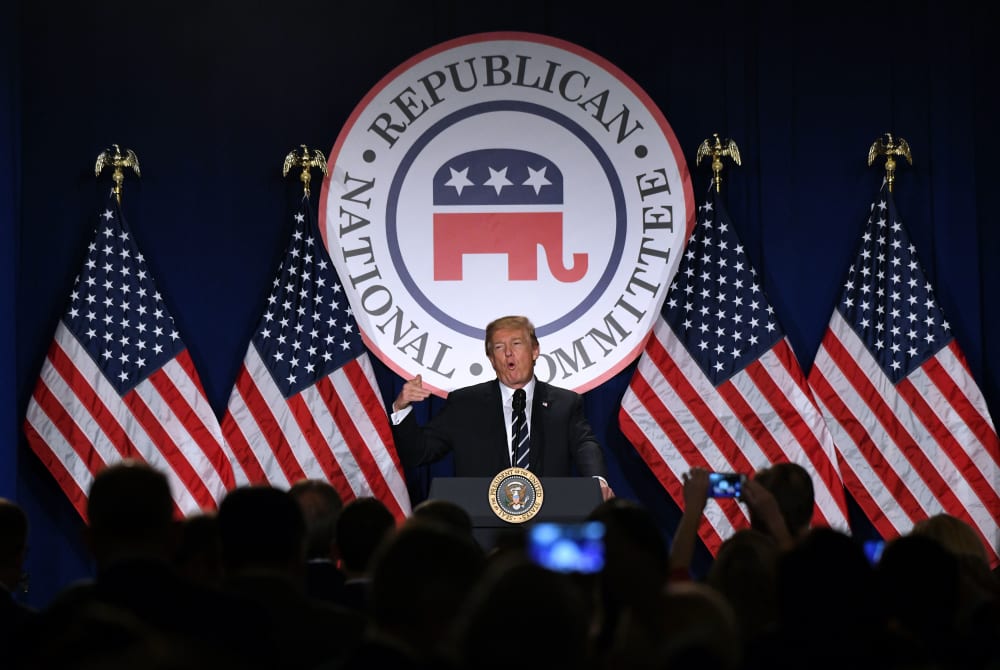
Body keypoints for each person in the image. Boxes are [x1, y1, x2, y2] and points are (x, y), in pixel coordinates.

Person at [390, 315, 613, 500]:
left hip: (548, 526)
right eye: (499, 347)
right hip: (483, 531)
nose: (508, 353)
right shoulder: (465, 404)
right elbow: (419, 453)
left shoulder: (565, 404)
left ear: (535, 351)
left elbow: (585, 445)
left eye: (516, 344)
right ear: (491, 359)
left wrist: (597, 482)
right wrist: (402, 407)